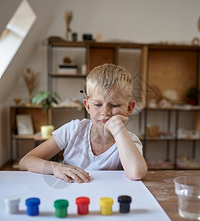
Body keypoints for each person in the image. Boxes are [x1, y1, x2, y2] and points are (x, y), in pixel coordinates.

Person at [19, 64, 147, 182]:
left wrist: (118, 127)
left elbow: (136, 173)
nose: (105, 112)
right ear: (87, 106)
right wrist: (55, 168)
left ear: (129, 108)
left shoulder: (129, 140)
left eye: (114, 105)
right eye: (97, 104)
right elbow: (25, 161)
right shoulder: (73, 130)